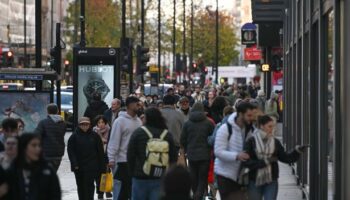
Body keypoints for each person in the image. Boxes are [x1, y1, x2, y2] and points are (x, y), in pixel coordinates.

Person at [243, 115, 308, 200]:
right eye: (269, 126)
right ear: (261, 126)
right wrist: (265, 162)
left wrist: (297, 151)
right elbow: (246, 162)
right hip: (254, 180)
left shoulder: (275, 142)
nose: (272, 129)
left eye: (273, 126)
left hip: (271, 180)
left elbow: (285, 158)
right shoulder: (251, 141)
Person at [127, 107, 177, 200]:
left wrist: (132, 172)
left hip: (140, 177)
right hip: (160, 176)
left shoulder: (139, 133)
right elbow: (173, 157)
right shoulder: (167, 134)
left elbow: (130, 155)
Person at [214, 102, 256, 200]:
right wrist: (237, 155)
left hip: (241, 177)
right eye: (248, 115)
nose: (251, 118)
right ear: (241, 114)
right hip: (225, 176)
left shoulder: (251, 129)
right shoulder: (225, 129)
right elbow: (218, 151)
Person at [107, 96, 142, 200]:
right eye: (137, 104)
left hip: (135, 162)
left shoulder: (139, 121)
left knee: (131, 190)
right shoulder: (119, 121)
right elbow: (114, 141)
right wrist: (111, 159)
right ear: (130, 105)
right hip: (121, 161)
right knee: (120, 189)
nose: (139, 106)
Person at [7, 133, 61, 200]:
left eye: (39, 145)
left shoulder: (47, 170)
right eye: (34, 145)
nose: (38, 149)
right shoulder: (12, 170)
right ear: (23, 147)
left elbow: (55, 195)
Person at [180, 102, 215, 200]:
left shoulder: (187, 123)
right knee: (203, 177)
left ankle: (196, 195)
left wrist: (187, 149)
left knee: (193, 176)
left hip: (191, 154)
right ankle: (199, 195)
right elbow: (213, 138)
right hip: (205, 155)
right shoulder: (208, 123)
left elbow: (182, 139)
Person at [68, 117, 105, 200]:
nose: (85, 126)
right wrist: (75, 164)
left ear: (89, 125)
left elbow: (100, 151)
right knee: (81, 186)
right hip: (79, 167)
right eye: (82, 124)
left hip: (92, 166)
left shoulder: (95, 136)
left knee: (90, 185)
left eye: (86, 124)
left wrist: (102, 165)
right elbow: (71, 151)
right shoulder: (74, 136)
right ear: (79, 125)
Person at [34, 103, 66, 172]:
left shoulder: (43, 122)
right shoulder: (63, 123)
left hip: (46, 153)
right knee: (52, 173)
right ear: (57, 111)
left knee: (45, 175)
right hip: (58, 153)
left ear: (47, 111)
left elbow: (36, 136)